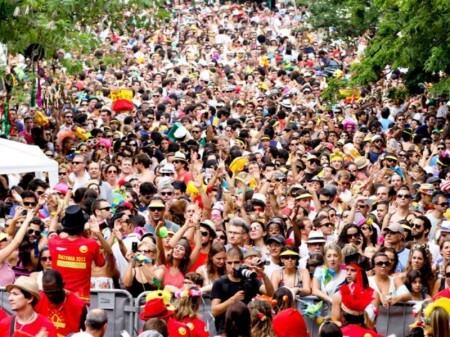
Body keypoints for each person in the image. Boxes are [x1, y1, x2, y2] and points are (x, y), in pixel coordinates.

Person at [48, 205, 106, 303]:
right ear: (83, 225)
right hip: (81, 300)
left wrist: (58, 213)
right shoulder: (92, 244)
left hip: (59, 299)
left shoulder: (54, 242)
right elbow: (101, 263)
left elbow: (51, 231)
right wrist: (97, 233)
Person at [211, 247, 274, 334]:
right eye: (229, 263)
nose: (233, 266)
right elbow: (214, 311)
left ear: (242, 263)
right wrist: (233, 300)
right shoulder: (220, 283)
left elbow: (270, 293)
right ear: (225, 264)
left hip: (248, 329)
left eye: (236, 262)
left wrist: (263, 275)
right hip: (226, 330)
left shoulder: (250, 279)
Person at [35, 269, 88, 337]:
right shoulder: (38, 300)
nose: (50, 296)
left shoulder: (79, 306)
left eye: (54, 292)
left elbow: (87, 333)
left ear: (62, 285)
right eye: (47, 292)